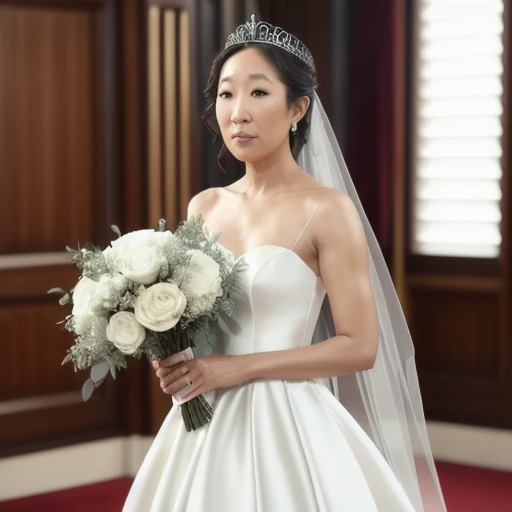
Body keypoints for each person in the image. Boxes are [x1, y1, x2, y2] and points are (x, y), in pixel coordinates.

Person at [124, 16, 447, 511]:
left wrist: (238, 368)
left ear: (297, 107)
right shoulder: (203, 206)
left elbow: (359, 346)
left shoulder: (328, 210)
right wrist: (166, 348)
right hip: (206, 421)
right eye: (226, 95)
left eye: (257, 93)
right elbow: (195, 325)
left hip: (290, 420)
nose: (238, 114)